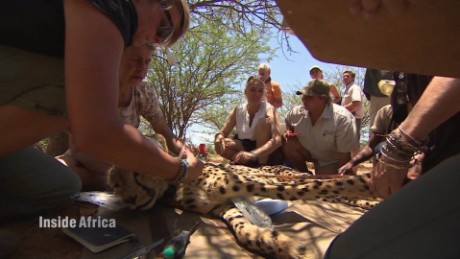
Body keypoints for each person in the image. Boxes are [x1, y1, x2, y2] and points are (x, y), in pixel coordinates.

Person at [0, 0, 203, 218]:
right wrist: (180, 171)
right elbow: (98, 134)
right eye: (163, 29)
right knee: (77, 86)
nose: (154, 40)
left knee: (60, 186)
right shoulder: (115, 9)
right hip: (85, 157)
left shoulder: (141, 89)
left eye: (161, 42)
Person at [56, 44, 190, 191]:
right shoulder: (91, 87)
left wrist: (187, 156)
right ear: (114, 58)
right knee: (60, 176)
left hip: (124, 165)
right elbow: (83, 139)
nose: (142, 68)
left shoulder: (144, 91)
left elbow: (164, 132)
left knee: (154, 146)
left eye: (147, 62)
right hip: (81, 161)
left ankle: (111, 183)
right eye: (134, 59)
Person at [283, 79, 358, 175]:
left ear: (323, 98)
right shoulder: (295, 113)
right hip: (307, 152)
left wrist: (340, 177)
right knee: (287, 141)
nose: (304, 99)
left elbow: (345, 156)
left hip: (331, 160)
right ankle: (304, 173)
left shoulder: (342, 118)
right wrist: (289, 131)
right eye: (303, 95)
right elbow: (288, 122)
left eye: (309, 97)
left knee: (327, 184)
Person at [214, 76, 282, 166]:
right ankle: (244, 161)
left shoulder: (269, 109)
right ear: (246, 91)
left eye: (260, 91)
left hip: (264, 150)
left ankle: (261, 164)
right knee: (220, 144)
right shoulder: (237, 110)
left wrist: (252, 154)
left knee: (263, 123)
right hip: (243, 146)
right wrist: (219, 137)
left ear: (264, 94)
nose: (257, 94)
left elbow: (277, 140)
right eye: (253, 90)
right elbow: (223, 132)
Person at [341, 70, 365, 153]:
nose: (344, 78)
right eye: (343, 76)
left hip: (354, 119)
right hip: (347, 120)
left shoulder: (354, 88)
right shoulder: (347, 89)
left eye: (347, 76)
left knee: (353, 144)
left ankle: (355, 165)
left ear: (353, 78)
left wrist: (341, 111)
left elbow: (356, 103)